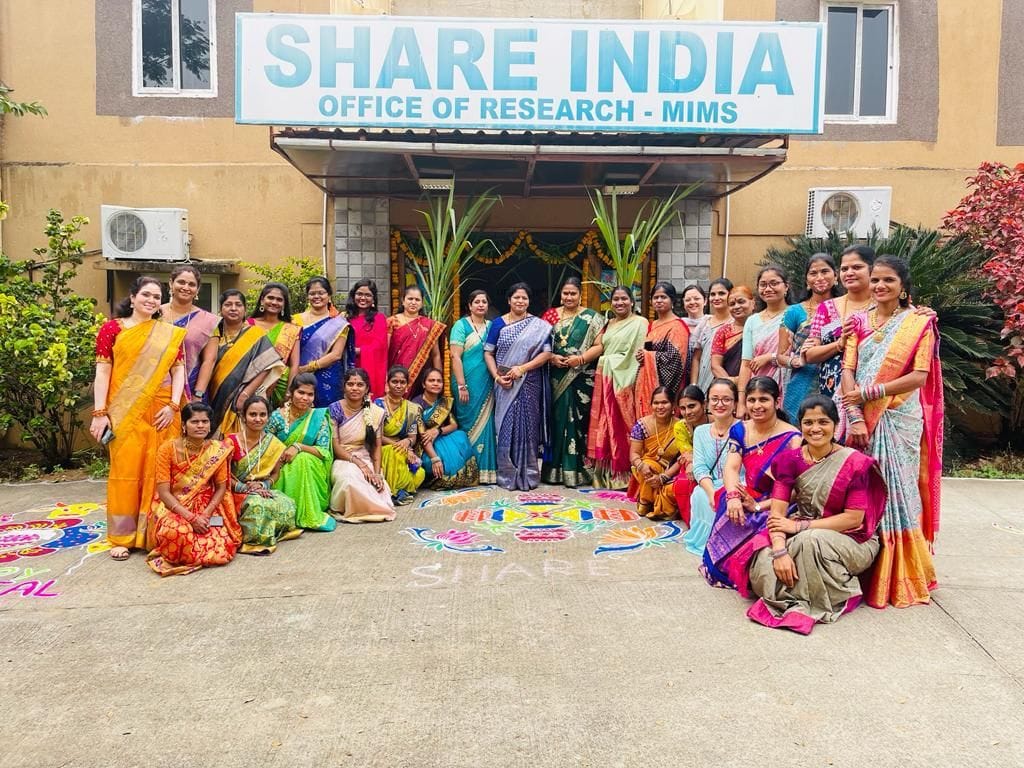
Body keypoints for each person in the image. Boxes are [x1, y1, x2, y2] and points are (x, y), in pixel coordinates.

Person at [841, 255, 943, 608]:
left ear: (903, 288)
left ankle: (899, 574)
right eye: (877, 280)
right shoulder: (857, 322)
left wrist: (872, 393)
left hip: (898, 417)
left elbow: (919, 376)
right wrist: (854, 414)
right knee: (862, 490)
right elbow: (848, 370)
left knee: (897, 491)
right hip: (860, 418)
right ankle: (862, 568)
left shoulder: (918, 324)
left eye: (889, 281)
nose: (880, 286)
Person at [744, 396, 886, 634]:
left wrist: (799, 527)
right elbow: (777, 515)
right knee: (762, 560)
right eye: (808, 423)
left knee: (810, 541)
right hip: (802, 529)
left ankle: (814, 598)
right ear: (800, 425)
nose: (816, 429)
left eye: (823, 422)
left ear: (835, 424)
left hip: (852, 539)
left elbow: (854, 519)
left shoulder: (854, 463)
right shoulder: (789, 461)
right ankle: (800, 590)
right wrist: (779, 552)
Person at [91, 276, 186, 561]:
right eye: (146, 294)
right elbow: (103, 372)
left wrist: (173, 406)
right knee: (125, 473)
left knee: (161, 473)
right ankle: (122, 536)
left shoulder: (169, 332)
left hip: (161, 411)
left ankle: (155, 533)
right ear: (132, 298)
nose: (151, 300)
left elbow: (179, 370)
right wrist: (99, 413)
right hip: (124, 412)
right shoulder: (112, 329)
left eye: (157, 296)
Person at [701, 377, 801, 589]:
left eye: (763, 399)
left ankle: (746, 570)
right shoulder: (741, 430)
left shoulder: (792, 439)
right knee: (724, 498)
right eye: (751, 400)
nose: (756, 406)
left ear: (777, 400)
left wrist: (758, 506)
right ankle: (722, 566)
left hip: (779, 502)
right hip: (750, 493)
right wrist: (733, 497)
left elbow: (796, 491)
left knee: (756, 516)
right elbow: (732, 467)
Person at [147, 402, 241, 577]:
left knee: (221, 549)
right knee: (176, 532)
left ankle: (190, 554)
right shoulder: (167, 449)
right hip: (174, 505)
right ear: (184, 425)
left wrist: (205, 514)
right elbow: (164, 492)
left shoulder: (216, 450)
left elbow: (221, 488)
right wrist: (190, 518)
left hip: (207, 508)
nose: (200, 426)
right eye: (194, 422)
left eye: (205, 422)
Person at [802, 245, 877, 439]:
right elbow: (809, 354)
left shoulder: (884, 304)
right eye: (844, 269)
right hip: (833, 393)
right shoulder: (827, 308)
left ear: (872, 269)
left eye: (857, 267)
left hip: (874, 391)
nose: (849, 273)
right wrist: (839, 344)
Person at [484, 282, 553, 491]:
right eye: (516, 298)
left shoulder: (538, 326)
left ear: (528, 301)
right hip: (504, 383)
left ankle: (529, 474)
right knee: (505, 426)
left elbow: (547, 353)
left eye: (524, 298)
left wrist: (522, 368)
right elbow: (488, 352)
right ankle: (507, 474)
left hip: (529, 381)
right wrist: (497, 376)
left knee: (528, 428)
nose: (520, 301)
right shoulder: (498, 324)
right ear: (509, 300)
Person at [541, 277, 606, 487]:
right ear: (561, 294)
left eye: (573, 293)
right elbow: (539, 344)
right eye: (565, 293)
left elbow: (599, 345)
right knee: (557, 422)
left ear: (580, 295)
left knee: (579, 423)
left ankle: (580, 471)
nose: (569, 297)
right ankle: (554, 472)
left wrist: (581, 359)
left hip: (580, 377)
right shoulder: (550, 316)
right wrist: (551, 358)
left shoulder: (592, 318)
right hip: (556, 377)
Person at [198, 289, 286, 437]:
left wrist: (245, 394)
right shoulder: (212, 334)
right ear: (221, 310)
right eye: (228, 304)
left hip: (241, 399)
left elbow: (267, 366)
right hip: (211, 396)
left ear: (245, 310)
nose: (233, 308)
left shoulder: (255, 334)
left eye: (238, 305)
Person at [586, 285, 649, 488]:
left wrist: (609, 362)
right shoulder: (607, 324)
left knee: (621, 427)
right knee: (603, 425)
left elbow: (637, 354)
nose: (619, 303)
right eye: (616, 299)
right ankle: (603, 473)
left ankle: (623, 475)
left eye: (624, 299)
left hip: (625, 380)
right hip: (606, 381)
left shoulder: (640, 323)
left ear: (632, 302)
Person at [226, 395, 301, 555]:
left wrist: (263, 485)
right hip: (235, 491)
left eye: (262, 415)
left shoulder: (274, 444)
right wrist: (245, 488)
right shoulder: (230, 442)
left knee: (287, 503)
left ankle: (270, 532)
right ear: (243, 417)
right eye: (252, 415)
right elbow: (222, 475)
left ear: (268, 417)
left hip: (260, 489)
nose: (258, 419)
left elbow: (275, 474)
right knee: (257, 506)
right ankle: (253, 541)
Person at [266, 373, 336, 532]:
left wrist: (299, 447)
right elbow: (265, 445)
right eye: (301, 393)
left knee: (302, 459)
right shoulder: (277, 417)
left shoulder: (318, 417)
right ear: (290, 393)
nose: (305, 398)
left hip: (311, 467)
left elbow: (324, 451)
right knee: (295, 462)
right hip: (280, 465)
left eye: (310, 394)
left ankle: (306, 513)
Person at [682, 378, 741, 556]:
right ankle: (707, 542)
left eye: (726, 399)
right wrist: (711, 493)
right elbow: (700, 467)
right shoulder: (701, 431)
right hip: (710, 485)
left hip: (738, 484)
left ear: (735, 403)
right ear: (708, 403)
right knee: (699, 494)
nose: (720, 404)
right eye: (715, 399)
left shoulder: (744, 429)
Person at [329, 368, 395, 523]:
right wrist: (359, 464)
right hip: (343, 458)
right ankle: (353, 510)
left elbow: (377, 447)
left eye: (359, 384)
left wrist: (377, 473)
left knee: (376, 486)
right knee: (349, 480)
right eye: (350, 384)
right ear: (344, 387)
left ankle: (372, 508)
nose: (354, 388)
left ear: (366, 388)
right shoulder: (335, 409)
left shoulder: (376, 412)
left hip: (365, 458)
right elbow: (335, 446)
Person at [777, 255, 841, 417]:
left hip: (840, 381)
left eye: (825, 271)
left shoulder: (846, 307)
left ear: (836, 275)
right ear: (806, 280)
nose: (819, 277)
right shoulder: (794, 312)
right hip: (802, 384)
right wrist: (797, 361)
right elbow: (780, 357)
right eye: (813, 273)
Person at [450, 289, 497, 484]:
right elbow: (455, 356)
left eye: (484, 302)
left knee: (487, 424)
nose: (480, 305)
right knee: (466, 422)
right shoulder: (460, 325)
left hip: (486, 383)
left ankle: (486, 472)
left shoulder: (492, 326)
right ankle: (467, 471)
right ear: (469, 305)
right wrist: (462, 385)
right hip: (465, 383)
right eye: (476, 301)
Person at [413, 367, 480, 489]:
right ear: (423, 384)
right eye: (431, 380)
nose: (436, 384)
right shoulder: (416, 404)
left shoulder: (444, 402)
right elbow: (423, 436)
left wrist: (438, 430)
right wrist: (434, 459)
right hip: (426, 445)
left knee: (460, 435)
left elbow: (454, 425)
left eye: (439, 381)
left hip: (440, 436)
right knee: (436, 463)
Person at [160, 265, 218, 402]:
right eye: (181, 282)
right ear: (171, 283)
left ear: (197, 290)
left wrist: (198, 394)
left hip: (191, 388)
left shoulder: (210, 321)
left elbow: (209, 361)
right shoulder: (155, 314)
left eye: (192, 284)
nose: (186, 287)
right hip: (156, 385)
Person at [294, 277, 355, 407]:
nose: (317, 296)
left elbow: (336, 354)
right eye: (312, 293)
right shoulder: (295, 320)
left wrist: (306, 368)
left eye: (321, 293)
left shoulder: (339, 323)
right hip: (299, 377)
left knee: (326, 418)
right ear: (307, 296)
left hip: (328, 377)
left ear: (329, 295)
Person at [627, 387, 684, 520]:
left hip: (672, 470)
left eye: (664, 402)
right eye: (656, 403)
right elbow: (634, 454)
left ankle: (647, 501)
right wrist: (641, 465)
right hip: (648, 469)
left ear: (673, 405)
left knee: (676, 485)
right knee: (648, 465)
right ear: (651, 405)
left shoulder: (681, 426)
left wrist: (664, 476)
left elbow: (683, 458)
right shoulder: (641, 425)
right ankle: (653, 502)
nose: (660, 407)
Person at [636, 282, 690, 418]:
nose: (659, 301)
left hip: (666, 390)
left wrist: (649, 356)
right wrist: (642, 356)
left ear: (672, 300)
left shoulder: (677, 326)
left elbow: (675, 360)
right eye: (655, 297)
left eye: (663, 297)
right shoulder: (652, 325)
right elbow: (648, 350)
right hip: (647, 386)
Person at [376, 365, 426, 504]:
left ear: (407, 386)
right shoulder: (377, 405)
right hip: (383, 447)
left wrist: (407, 443)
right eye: (395, 382)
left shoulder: (411, 408)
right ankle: (396, 492)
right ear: (388, 384)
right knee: (396, 454)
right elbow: (377, 436)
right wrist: (400, 446)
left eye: (402, 382)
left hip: (402, 447)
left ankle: (401, 489)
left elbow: (412, 437)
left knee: (420, 473)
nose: (398, 385)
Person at [739, 265, 791, 396]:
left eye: (774, 283)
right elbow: (746, 365)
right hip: (758, 389)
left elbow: (803, 355)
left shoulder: (796, 313)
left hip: (789, 385)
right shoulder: (752, 321)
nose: (768, 289)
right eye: (763, 285)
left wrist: (770, 357)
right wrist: (742, 399)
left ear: (786, 286)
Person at [249, 282, 301, 408]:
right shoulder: (248, 325)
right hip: (251, 384)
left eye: (279, 299)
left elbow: (294, 365)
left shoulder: (291, 329)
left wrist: (289, 392)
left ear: (284, 304)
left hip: (280, 385)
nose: (274, 302)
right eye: (270, 298)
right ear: (262, 300)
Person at [388, 285, 445, 397]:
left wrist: (438, 378)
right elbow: (384, 352)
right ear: (403, 301)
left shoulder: (429, 325)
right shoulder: (392, 322)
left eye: (417, 299)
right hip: (396, 375)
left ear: (422, 303)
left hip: (420, 376)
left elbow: (436, 355)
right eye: (410, 299)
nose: (413, 302)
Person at [670, 385, 709, 527]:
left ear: (704, 404)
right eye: (683, 408)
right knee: (682, 484)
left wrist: (693, 463)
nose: (687, 412)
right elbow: (686, 452)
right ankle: (692, 523)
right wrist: (691, 463)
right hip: (690, 464)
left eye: (692, 406)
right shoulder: (680, 426)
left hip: (715, 463)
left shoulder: (715, 421)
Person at [345, 279, 389, 400]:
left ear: (373, 299)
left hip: (371, 368)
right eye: (359, 294)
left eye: (368, 295)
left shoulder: (379, 318)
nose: (363, 298)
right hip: (347, 364)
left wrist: (357, 351)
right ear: (353, 295)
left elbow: (379, 345)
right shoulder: (345, 318)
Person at [690, 278, 733, 392]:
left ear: (731, 295)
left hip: (726, 383)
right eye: (713, 294)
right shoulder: (704, 323)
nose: (716, 298)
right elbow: (696, 358)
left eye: (721, 293)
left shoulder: (736, 324)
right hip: (702, 382)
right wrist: (694, 385)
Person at [710, 285, 754, 385]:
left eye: (741, 302)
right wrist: (731, 382)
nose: (736, 307)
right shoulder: (723, 331)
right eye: (732, 304)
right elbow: (715, 366)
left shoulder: (761, 328)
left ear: (753, 303)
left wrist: (746, 380)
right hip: (727, 389)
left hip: (756, 385)